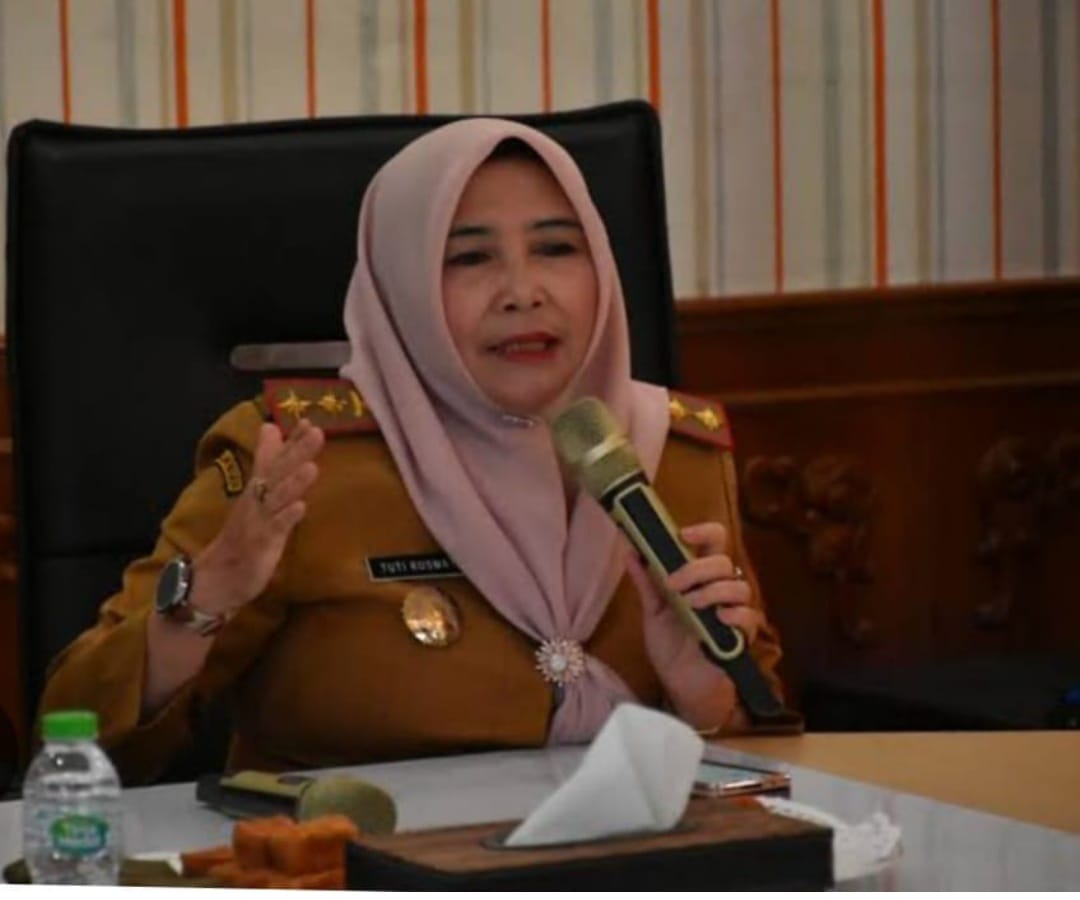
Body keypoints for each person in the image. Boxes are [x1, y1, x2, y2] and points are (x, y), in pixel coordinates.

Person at [37, 119, 786, 784]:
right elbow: (74, 741)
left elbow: (781, 747)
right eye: (470, 258)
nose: (522, 291)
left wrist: (706, 706)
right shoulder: (296, 461)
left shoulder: (674, 457)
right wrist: (203, 601)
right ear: (403, 285)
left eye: (557, 248)